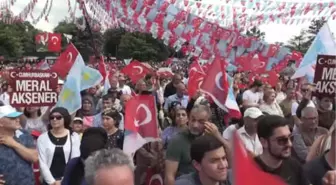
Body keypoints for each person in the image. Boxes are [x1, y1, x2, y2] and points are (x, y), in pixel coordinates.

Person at [255, 115, 310, 185]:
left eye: (291, 138)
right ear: (264, 142)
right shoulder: (249, 170)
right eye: (281, 140)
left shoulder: (294, 165)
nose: (289, 144)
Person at [37, 107, 81, 185]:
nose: (54, 119)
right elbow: (42, 163)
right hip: (49, 181)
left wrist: (64, 180)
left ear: (65, 119)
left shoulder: (74, 136)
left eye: (58, 117)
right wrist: (52, 182)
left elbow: (75, 159)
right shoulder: (42, 138)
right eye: (52, 117)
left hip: (68, 179)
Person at [0, 105, 38, 185]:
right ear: (1, 123)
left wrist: (13, 143)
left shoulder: (24, 134)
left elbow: (34, 158)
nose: (18, 120)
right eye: (12, 118)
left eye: (17, 117)